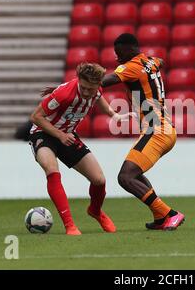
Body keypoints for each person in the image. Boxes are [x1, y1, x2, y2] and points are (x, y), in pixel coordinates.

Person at [29, 62, 131, 235]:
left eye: (90, 89)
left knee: (99, 180)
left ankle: (95, 211)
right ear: (78, 80)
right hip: (43, 134)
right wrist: (60, 135)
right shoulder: (64, 93)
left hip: (68, 135)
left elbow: (98, 98)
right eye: (83, 87)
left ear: (98, 85)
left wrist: (114, 115)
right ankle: (70, 225)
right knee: (52, 170)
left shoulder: (96, 91)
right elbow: (36, 117)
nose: (85, 92)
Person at [100, 33, 185, 231]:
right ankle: (159, 216)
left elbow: (105, 81)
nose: (116, 57)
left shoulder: (130, 67)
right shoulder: (151, 60)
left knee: (125, 177)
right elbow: (161, 61)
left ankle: (169, 213)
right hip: (162, 127)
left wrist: (78, 84)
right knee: (134, 174)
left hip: (156, 131)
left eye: (119, 53)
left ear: (129, 50)